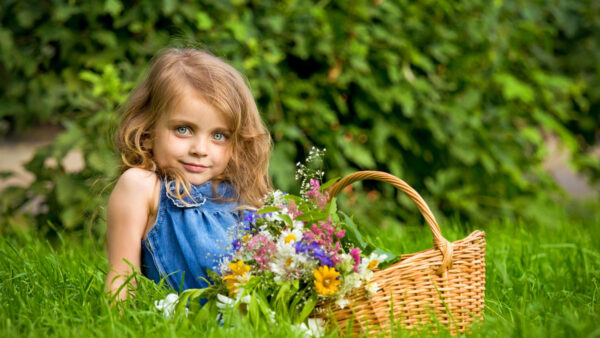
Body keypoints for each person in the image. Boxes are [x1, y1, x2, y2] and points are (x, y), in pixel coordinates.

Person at [105, 48, 272, 300]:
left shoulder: (239, 196)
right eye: (183, 129)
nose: (200, 150)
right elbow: (121, 277)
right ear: (148, 132)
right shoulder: (143, 188)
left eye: (218, 136)